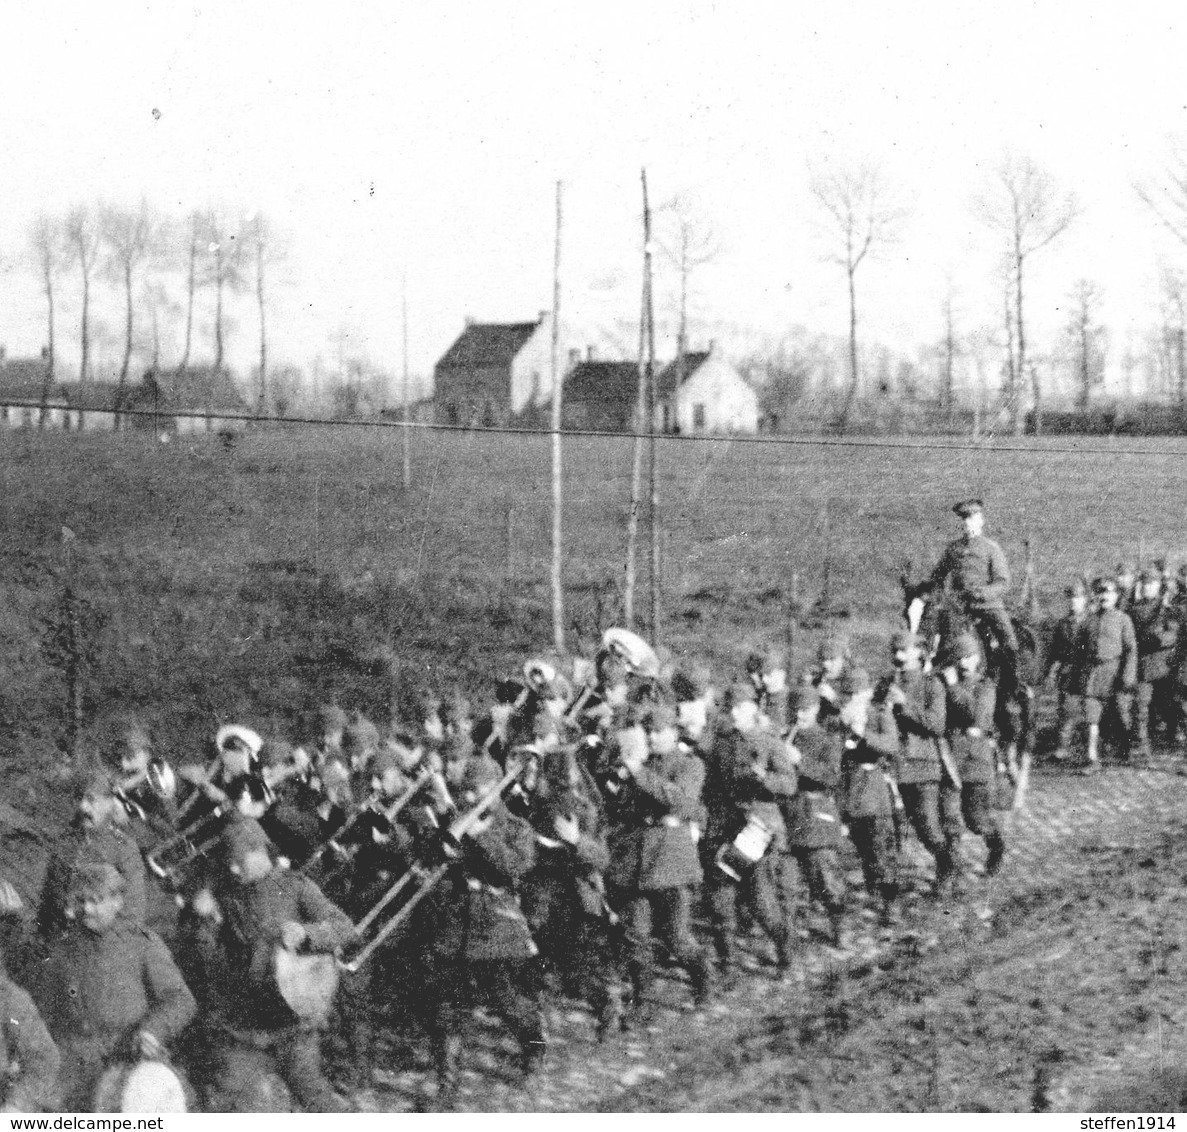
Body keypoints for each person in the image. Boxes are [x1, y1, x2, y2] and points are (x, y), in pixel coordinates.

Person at [183, 817, 353, 1112]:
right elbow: (206, 959)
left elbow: (345, 927)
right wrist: (205, 921)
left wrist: (307, 934)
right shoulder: (226, 894)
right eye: (229, 863)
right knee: (230, 1102)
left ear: (259, 850)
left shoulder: (296, 886)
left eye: (239, 860)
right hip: (247, 1027)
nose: (234, 869)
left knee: (315, 1099)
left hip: (294, 1027)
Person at [30, 863, 196, 1112]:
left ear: (117, 901)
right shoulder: (61, 951)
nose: (86, 908)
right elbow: (42, 1014)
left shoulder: (141, 944)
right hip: (74, 1073)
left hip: (131, 1062)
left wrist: (153, 1031)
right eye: (81, 900)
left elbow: (181, 999)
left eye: (95, 900)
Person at [603, 704, 714, 1021]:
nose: (652, 737)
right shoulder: (642, 765)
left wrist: (639, 775)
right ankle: (643, 1000)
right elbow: (623, 811)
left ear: (674, 732)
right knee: (635, 935)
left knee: (676, 936)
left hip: (671, 862)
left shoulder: (690, 765)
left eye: (659, 731)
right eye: (649, 731)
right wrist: (619, 786)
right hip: (638, 861)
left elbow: (681, 803)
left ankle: (703, 981)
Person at [701, 683, 796, 979]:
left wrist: (763, 778)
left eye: (739, 709)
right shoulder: (721, 744)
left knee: (761, 901)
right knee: (721, 899)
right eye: (730, 710)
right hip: (727, 828)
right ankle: (727, 963)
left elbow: (789, 784)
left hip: (759, 829)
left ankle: (785, 950)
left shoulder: (769, 741)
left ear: (752, 709)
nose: (733, 715)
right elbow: (712, 789)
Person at [874, 630, 955, 896]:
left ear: (919, 653)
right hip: (893, 764)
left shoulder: (932, 684)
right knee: (891, 829)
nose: (898, 657)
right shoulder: (887, 683)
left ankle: (946, 866)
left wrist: (904, 704)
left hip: (922, 766)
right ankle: (891, 886)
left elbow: (937, 725)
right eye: (895, 651)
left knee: (928, 828)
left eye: (904, 651)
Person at [38, 768, 148, 936]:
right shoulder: (66, 841)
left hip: (97, 943)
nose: (83, 807)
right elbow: (48, 901)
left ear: (110, 802)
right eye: (80, 798)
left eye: (91, 800)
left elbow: (133, 913)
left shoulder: (124, 849)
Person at [927, 499, 1019, 694]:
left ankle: (1013, 688)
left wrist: (983, 593)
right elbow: (937, 576)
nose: (968, 523)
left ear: (981, 521)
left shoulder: (991, 548)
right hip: (960, 608)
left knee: (1009, 642)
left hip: (988, 606)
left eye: (972, 519)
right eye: (965, 519)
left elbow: (1003, 581)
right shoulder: (954, 549)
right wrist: (939, 596)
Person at [783, 684, 850, 947]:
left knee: (825, 876)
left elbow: (831, 776)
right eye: (796, 710)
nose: (800, 715)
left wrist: (800, 761)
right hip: (791, 813)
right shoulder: (786, 736)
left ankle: (838, 926)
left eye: (805, 710)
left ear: (816, 710)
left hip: (816, 815)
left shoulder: (827, 739)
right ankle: (792, 933)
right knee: (788, 881)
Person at [938, 633, 1006, 880]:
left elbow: (974, 715)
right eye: (961, 658)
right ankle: (950, 869)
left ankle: (996, 846)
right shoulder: (945, 686)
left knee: (976, 819)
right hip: (952, 759)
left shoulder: (985, 686)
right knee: (949, 818)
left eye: (970, 657)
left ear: (978, 658)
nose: (965, 663)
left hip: (976, 762)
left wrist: (954, 687)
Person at [1077, 577, 1138, 770]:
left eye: (1109, 593)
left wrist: (1128, 676)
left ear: (1116, 596)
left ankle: (1127, 748)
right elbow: (1079, 651)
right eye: (1101, 592)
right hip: (1093, 674)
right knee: (1091, 716)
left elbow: (1130, 649)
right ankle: (1092, 758)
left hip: (1115, 672)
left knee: (1121, 712)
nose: (1104, 596)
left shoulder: (1123, 619)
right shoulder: (1089, 620)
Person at [1129, 567, 1180, 761]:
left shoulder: (1167, 609)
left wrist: (1159, 639)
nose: (1148, 587)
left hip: (1165, 665)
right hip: (1143, 665)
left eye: (1152, 584)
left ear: (1159, 586)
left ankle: (1172, 738)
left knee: (1169, 705)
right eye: (1145, 583)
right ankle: (1142, 745)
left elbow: (1174, 634)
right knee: (1141, 707)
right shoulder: (1133, 609)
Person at [1044, 579, 1091, 761]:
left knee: (1089, 711)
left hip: (1088, 671)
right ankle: (1062, 748)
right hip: (1068, 672)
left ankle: (1090, 749)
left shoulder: (1093, 621)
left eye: (1078, 598)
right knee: (1066, 710)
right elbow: (1055, 652)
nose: (1074, 602)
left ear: (1085, 599)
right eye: (1071, 598)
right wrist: (1052, 670)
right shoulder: (1063, 624)